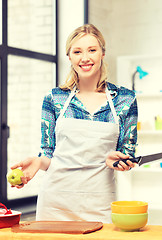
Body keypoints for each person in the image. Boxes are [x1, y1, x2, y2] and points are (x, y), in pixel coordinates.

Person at [11, 24, 138, 223]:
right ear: (69, 56)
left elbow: (127, 153)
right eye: (77, 51)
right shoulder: (54, 98)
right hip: (55, 202)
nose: (85, 58)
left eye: (92, 50)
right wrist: (38, 162)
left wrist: (119, 160)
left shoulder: (125, 99)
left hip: (100, 202)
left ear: (102, 53)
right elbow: (48, 153)